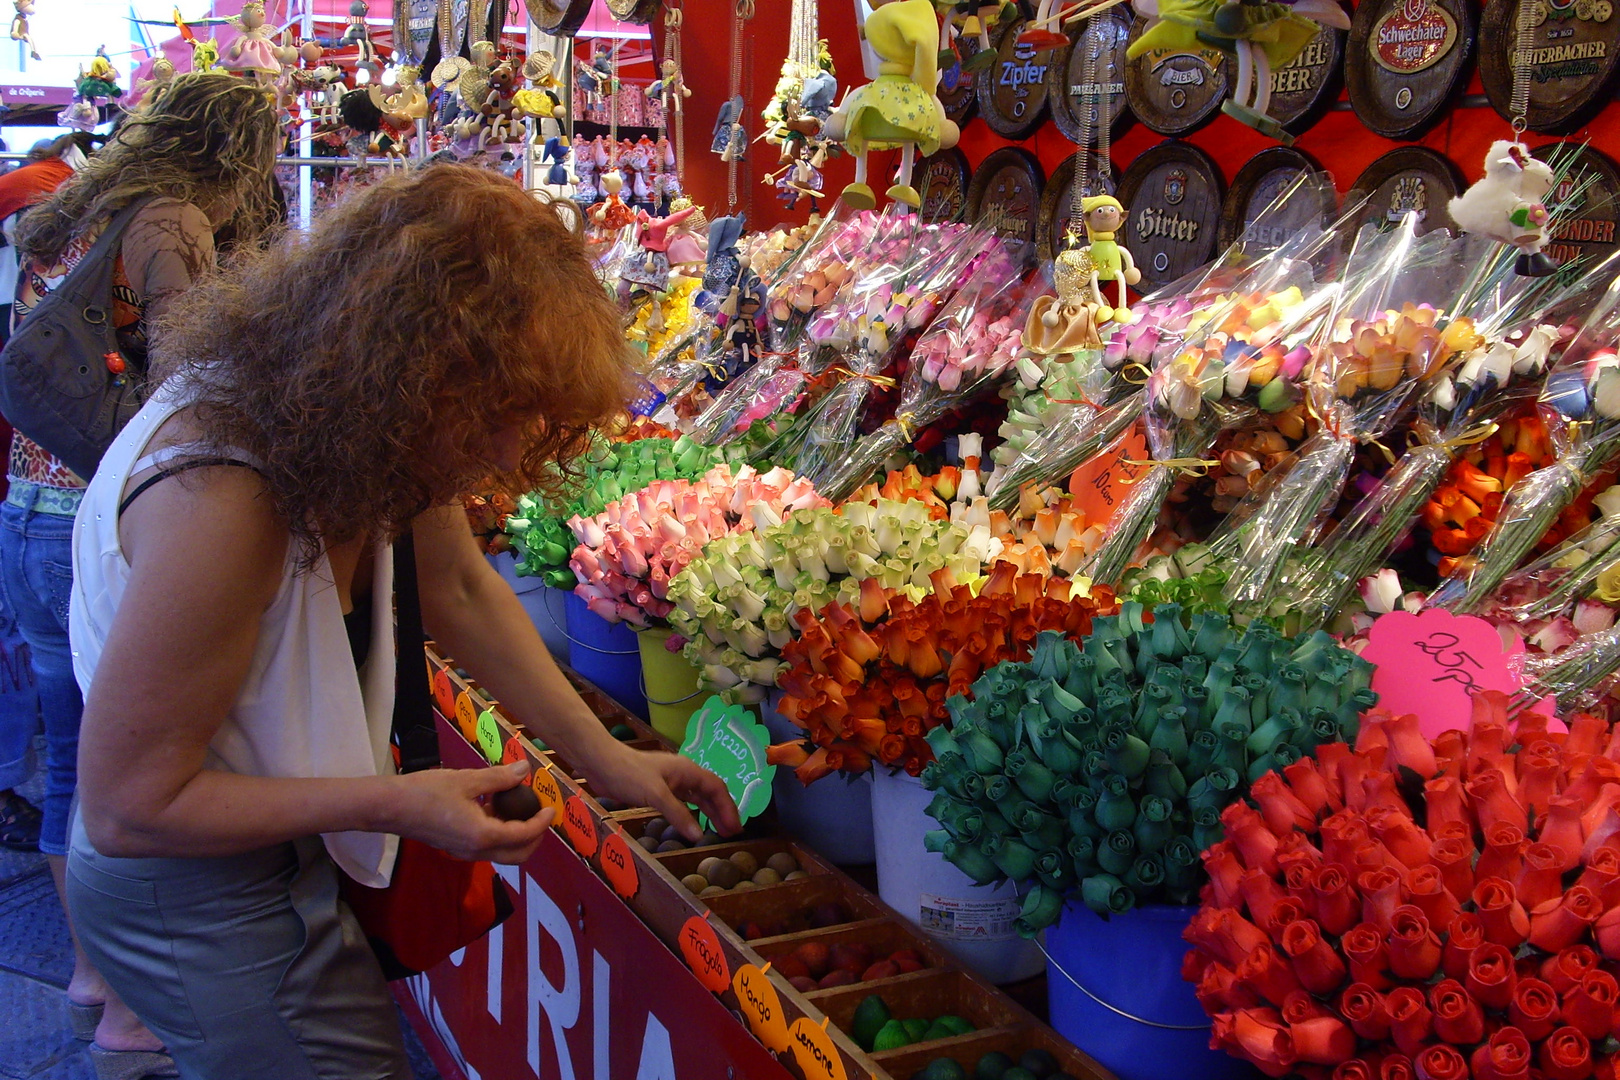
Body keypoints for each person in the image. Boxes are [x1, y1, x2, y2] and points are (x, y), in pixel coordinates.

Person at [65, 164, 741, 1077]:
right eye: (496, 413)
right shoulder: (223, 496)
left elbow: (459, 585)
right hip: (188, 879)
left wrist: (604, 756)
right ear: (401, 363)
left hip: (260, 836)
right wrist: (394, 802)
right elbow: (129, 806)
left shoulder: (358, 423)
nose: (507, 452)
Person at [4, 72, 282, 1073]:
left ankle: (88, 974)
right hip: (97, 520)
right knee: (129, 771)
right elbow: (184, 390)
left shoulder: (71, 208)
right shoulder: (172, 226)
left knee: (74, 755)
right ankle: (126, 1008)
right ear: (238, 158)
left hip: (27, 510)